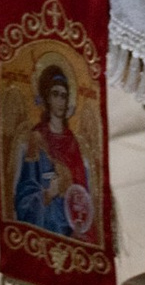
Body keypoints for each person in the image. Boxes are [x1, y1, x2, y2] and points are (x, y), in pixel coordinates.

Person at [9, 63, 97, 240]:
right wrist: (47, 194)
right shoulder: (36, 139)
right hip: (48, 222)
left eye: (64, 96)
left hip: (75, 223)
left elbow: (84, 189)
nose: (60, 101)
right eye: (55, 94)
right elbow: (24, 195)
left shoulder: (74, 142)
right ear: (47, 98)